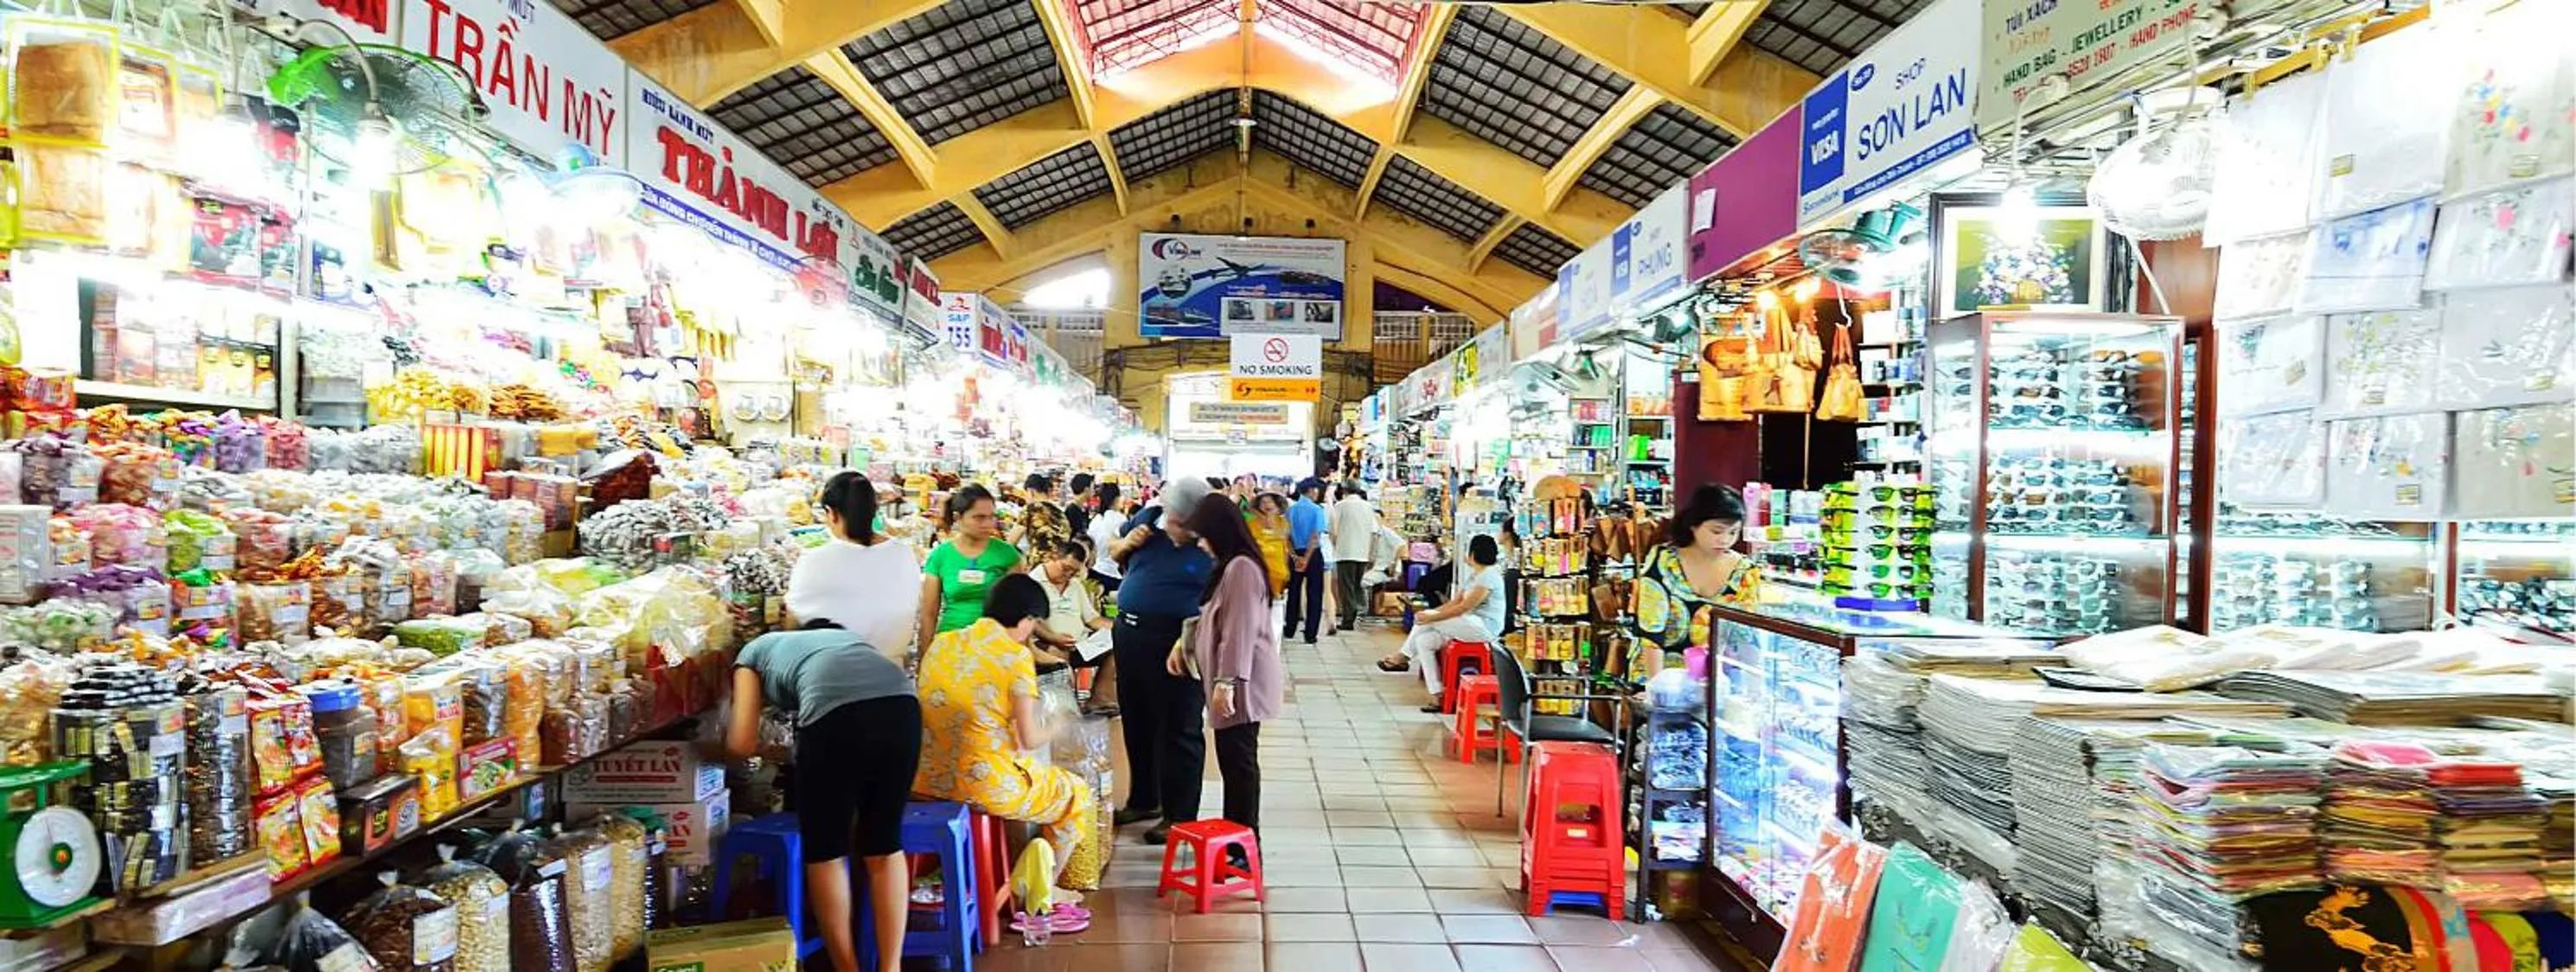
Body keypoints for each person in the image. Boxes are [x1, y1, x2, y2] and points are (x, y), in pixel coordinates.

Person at [723, 620, 920, 972]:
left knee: (826, 852)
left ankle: (847, 969)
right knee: (884, 845)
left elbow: (741, 744)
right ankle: (891, 967)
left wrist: (701, 750)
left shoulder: (752, 653)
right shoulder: (849, 641)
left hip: (836, 715)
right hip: (903, 706)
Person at [914, 575, 1103, 901]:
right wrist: (1059, 722)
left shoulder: (943, 642)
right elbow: (1030, 738)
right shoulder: (1015, 657)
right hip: (982, 787)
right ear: (1027, 619)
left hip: (925, 780)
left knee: (1020, 770)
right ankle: (1045, 889)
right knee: (1075, 792)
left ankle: (1002, 874)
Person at [1105, 476, 1215, 845]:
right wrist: (1126, 544)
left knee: (1179, 725)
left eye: (1184, 524)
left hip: (1179, 640)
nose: (1175, 529)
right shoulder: (1148, 519)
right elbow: (1113, 551)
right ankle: (1144, 798)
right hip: (1131, 632)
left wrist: (1194, 636)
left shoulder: (1212, 541)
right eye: (1174, 520)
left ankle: (1179, 814)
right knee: (1136, 717)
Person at [1181, 496, 1284, 841]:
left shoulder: (1242, 568)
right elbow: (1215, 617)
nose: (1201, 544)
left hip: (1243, 685)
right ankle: (1239, 842)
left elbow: (1240, 629)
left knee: (1239, 766)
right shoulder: (1230, 567)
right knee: (1234, 763)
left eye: (1203, 536)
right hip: (1234, 681)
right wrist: (1186, 642)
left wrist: (1227, 682)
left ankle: (1243, 846)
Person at [785, 472, 922, 665]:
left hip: (830, 672)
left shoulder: (814, 560)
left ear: (831, 513)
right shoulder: (903, 553)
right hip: (891, 672)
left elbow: (792, 624)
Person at [1632, 484, 1763, 677]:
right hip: (1658, 673)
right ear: (1693, 525)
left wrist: (1752, 685)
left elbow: (1747, 638)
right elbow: (1650, 632)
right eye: (1716, 531)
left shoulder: (1745, 572)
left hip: (1715, 681)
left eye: (1733, 532)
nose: (1725, 540)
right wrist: (1657, 687)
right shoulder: (1663, 561)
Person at [1378, 534, 1505, 712]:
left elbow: (1464, 607)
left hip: (1483, 627)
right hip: (1467, 624)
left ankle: (1403, 656)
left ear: (1473, 554)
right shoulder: (1474, 576)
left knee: (1425, 620)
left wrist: (1432, 617)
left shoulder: (1488, 576)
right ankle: (1437, 694)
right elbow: (1454, 603)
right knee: (1424, 641)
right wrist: (1433, 614)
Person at [917, 485, 1025, 657]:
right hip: (950, 645)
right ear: (958, 518)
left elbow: (1019, 610)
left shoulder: (1006, 555)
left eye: (991, 517)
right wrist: (925, 656)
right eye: (979, 518)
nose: (988, 524)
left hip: (995, 647)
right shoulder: (940, 556)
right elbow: (929, 614)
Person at [1033, 538, 1116, 716]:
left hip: (1081, 644)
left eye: (1074, 572)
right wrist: (1053, 637)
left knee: (1118, 645)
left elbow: (1092, 619)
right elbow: (1033, 622)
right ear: (1053, 557)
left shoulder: (1075, 585)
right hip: (1047, 643)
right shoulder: (1033, 582)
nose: (1069, 575)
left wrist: (1119, 629)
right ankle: (1063, 707)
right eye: (1065, 568)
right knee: (1057, 651)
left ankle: (1100, 699)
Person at [1281, 477, 1331, 644]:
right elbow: (1315, 537)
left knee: (1293, 592)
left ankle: (1290, 629)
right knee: (1314, 594)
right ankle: (1310, 634)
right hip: (1313, 555)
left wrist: (1296, 557)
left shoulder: (1291, 510)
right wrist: (1307, 558)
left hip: (1295, 553)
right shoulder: (1316, 510)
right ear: (1311, 490)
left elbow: (1286, 537)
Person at [1328, 483, 1377, 631]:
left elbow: (1333, 530)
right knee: (1356, 585)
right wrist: (1371, 553)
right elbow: (1374, 532)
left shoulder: (1341, 506)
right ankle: (1357, 610)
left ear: (1344, 491)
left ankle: (1348, 619)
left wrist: (1335, 544)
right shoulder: (1368, 507)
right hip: (1363, 552)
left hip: (1345, 552)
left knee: (1346, 587)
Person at [1247, 493, 1291, 598]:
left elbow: (1283, 540)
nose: (1266, 505)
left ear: (1277, 504)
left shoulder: (1283, 523)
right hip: (1258, 570)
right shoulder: (1251, 524)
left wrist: (1271, 518)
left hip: (1278, 571)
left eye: (1270, 501)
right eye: (1263, 502)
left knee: (1275, 601)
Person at [1084, 482, 1126, 592]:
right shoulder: (1120, 519)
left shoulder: (1095, 520)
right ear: (1116, 498)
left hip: (1095, 571)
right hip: (1112, 573)